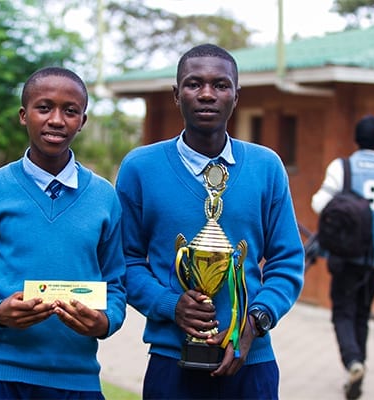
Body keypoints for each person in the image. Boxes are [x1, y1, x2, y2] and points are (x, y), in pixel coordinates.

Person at [115, 43, 305, 399]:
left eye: (220, 85)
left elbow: (287, 261)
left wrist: (254, 322)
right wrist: (169, 305)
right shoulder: (140, 168)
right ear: (176, 94)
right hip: (171, 362)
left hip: (252, 361)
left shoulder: (267, 167)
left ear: (235, 96)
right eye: (193, 84)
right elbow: (124, 261)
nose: (206, 94)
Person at [0, 66, 127, 400]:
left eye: (70, 111)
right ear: (24, 116)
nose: (57, 120)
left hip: (78, 379)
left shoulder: (104, 198)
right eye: (44, 108)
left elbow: (116, 284)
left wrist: (106, 321)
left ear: (82, 121)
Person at [311, 115, 374, 400]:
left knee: (342, 312)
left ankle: (353, 362)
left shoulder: (343, 167)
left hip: (344, 254)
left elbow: (318, 203)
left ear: (357, 139)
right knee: (362, 315)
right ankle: (359, 368)